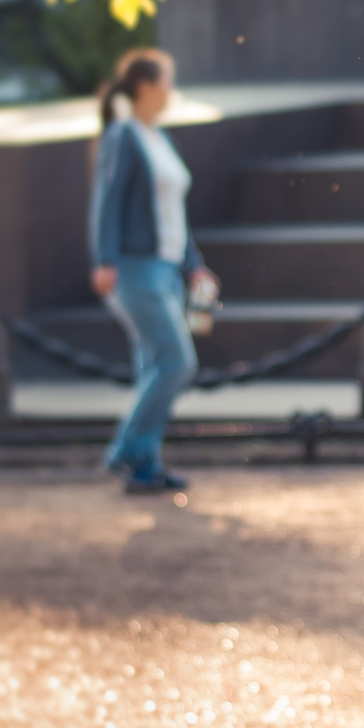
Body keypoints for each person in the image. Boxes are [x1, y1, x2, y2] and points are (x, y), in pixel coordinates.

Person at [89, 48, 215, 494]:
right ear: (144, 86)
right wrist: (104, 259)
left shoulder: (158, 137)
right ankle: (126, 449)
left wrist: (194, 267)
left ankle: (145, 465)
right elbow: (107, 201)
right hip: (133, 268)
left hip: (166, 270)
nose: (170, 92)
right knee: (176, 361)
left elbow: (171, 214)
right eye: (165, 82)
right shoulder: (124, 135)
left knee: (154, 367)